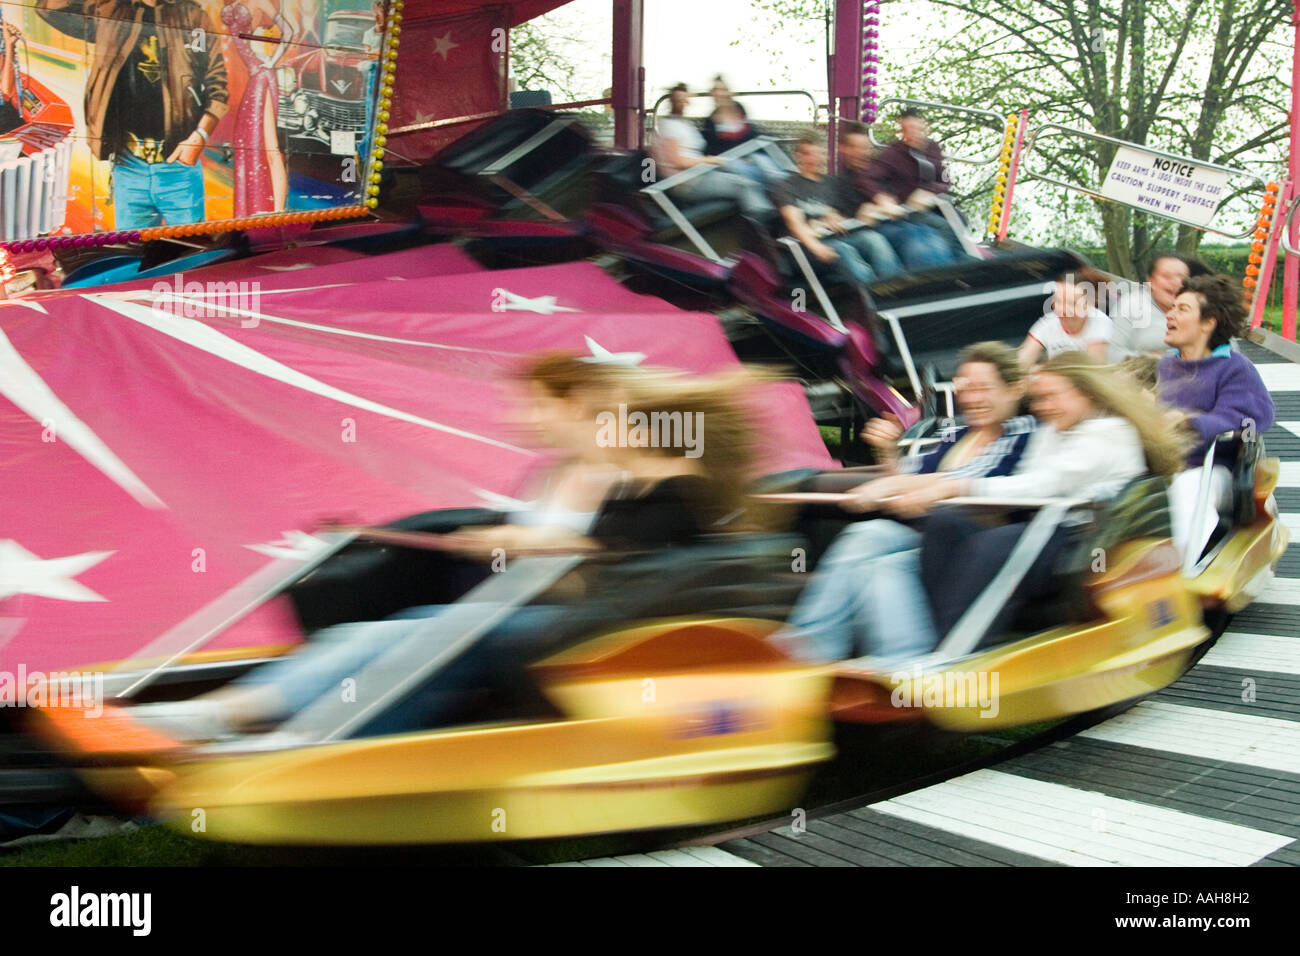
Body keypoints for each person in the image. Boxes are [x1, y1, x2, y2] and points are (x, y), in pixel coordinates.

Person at [128, 362, 762, 741]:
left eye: (615, 422)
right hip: (583, 615)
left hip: (617, 630)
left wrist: (525, 543)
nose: (602, 433)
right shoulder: (636, 485)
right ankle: (237, 713)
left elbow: (605, 568)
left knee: (445, 632)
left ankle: (296, 731)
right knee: (395, 629)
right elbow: (589, 558)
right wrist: (516, 544)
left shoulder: (680, 493)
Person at [772, 342, 1036, 662]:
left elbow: (966, 479)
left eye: (983, 388)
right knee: (865, 535)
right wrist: (887, 452)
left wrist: (896, 486)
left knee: (879, 567)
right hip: (927, 532)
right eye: (965, 388)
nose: (972, 398)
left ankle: (897, 660)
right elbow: (908, 474)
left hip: (968, 541)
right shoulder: (956, 434)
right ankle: (805, 648)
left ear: (1014, 388)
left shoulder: (1020, 432)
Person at [915, 352, 1187, 647]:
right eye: (1039, 399)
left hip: (1085, 538)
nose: (1043, 407)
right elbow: (1026, 480)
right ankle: (937, 635)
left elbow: (1043, 484)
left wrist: (958, 487)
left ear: (1085, 393)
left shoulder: (1112, 433)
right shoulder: (1052, 431)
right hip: (1044, 526)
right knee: (946, 522)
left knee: (992, 547)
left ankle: (961, 648)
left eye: (1052, 397)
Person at [36, 0, 229, 229]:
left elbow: (218, 87)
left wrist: (199, 136)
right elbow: (49, 9)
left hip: (178, 167)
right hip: (129, 167)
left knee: (190, 254)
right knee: (134, 257)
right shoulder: (110, 9)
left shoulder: (192, 17)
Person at [1158, 273, 1275, 561]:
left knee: (1189, 487)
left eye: (1182, 309)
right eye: (1172, 308)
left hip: (1214, 469)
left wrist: (1188, 422)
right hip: (1163, 465)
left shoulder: (1234, 368)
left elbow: (1248, 418)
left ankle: (1187, 570)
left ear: (1208, 324)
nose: (1170, 314)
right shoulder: (1164, 366)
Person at [773, 130, 903, 286]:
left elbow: (842, 216)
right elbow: (795, 224)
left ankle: (896, 288)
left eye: (818, 154)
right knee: (843, 250)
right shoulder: (788, 185)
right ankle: (873, 296)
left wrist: (835, 219)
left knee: (873, 239)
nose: (814, 159)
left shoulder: (832, 183)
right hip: (803, 247)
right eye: (808, 154)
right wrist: (816, 247)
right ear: (798, 156)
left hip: (832, 237)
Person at [836, 120, 953, 270]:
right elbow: (841, 218)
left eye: (865, 148)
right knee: (912, 236)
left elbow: (898, 195)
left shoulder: (879, 170)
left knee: (931, 229)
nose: (861, 152)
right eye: (855, 148)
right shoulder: (840, 182)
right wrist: (865, 212)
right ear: (844, 149)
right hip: (871, 228)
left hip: (899, 218)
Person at [651, 82, 774, 219]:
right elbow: (678, 161)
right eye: (679, 100)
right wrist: (710, 160)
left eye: (685, 99)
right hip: (687, 183)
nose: (683, 103)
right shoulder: (669, 126)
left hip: (701, 173)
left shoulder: (686, 124)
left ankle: (778, 208)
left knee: (753, 170)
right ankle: (764, 224)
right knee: (744, 185)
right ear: (672, 101)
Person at [860, 109, 966, 257]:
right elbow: (868, 177)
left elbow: (945, 180)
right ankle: (956, 261)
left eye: (916, 129)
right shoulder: (894, 153)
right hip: (910, 208)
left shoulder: (933, 148)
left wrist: (929, 191)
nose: (912, 134)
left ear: (924, 128)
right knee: (943, 226)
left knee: (960, 218)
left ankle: (962, 254)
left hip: (932, 203)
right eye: (906, 130)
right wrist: (881, 198)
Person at [222, 0, 293, 216]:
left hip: (262, 78)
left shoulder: (260, 2)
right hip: (254, 80)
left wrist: (272, 62)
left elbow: (289, 31)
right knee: (247, 144)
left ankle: (278, 210)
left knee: (270, 146)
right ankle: (253, 210)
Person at [1110, 254, 1210, 359]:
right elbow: (1113, 353)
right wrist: (1157, 361)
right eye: (1167, 276)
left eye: (1181, 277)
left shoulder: (1199, 306)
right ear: (1151, 281)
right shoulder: (1132, 304)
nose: (1175, 282)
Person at [1019, 276, 1114, 366]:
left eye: (1071, 303)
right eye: (1058, 301)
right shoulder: (1048, 323)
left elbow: (1094, 371)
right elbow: (1021, 363)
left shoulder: (1100, 324)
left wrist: (1042, 370)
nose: (1061, 310)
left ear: (1087, 305)